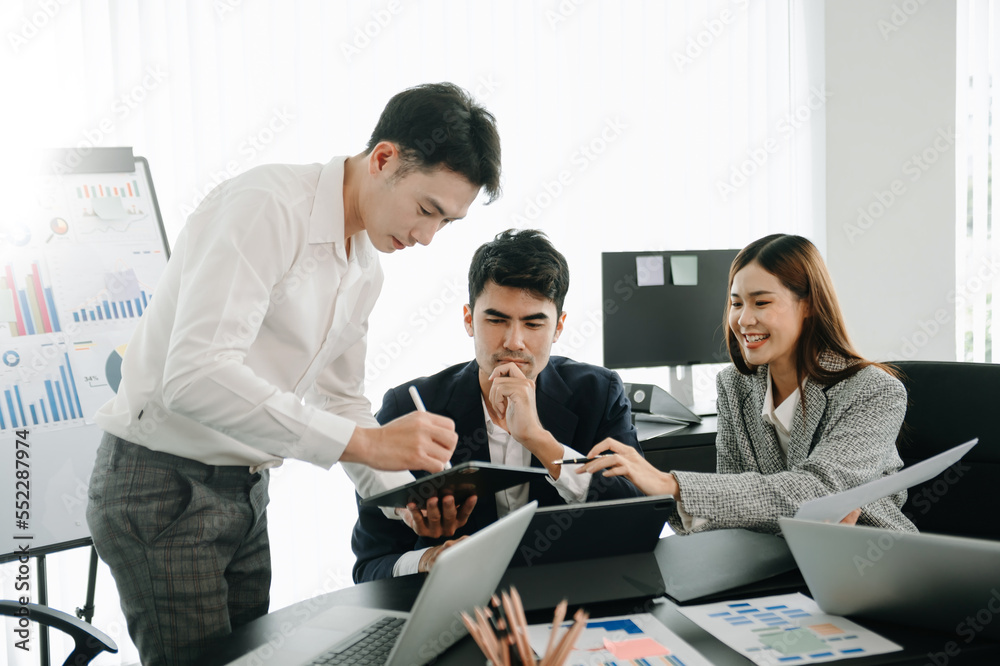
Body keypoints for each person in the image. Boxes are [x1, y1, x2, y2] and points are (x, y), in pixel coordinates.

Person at [85, 82, 502, 666]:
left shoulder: (364, 267)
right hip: (161, 483)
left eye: (446, 223)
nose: (426, 237)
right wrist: (366, 443)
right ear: (384, 159)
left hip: (246, 486)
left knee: (253, 661)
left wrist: (403, 498)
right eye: (427, 209)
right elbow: (195, 374)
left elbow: (339, 399)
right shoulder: (268, 206)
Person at [351, 229, 643, 582]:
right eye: (496, 320)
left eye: (534, 323)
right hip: (458, 609)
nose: (513, 341)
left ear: (559, 328)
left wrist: (539, 440)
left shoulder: (598, 393)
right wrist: (427, 560)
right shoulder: (408, 407)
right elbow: (371, 566)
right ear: (468, 319)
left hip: (572, 596)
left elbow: (636, 518)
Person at [580, 233, 917, 535]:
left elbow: (818, 490)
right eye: (736, 302)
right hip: (769, 557)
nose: (743, 319)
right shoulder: (734, 386)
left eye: (761, 302)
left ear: (809, 304)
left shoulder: (874, 391)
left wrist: (671, 484)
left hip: (866, 558)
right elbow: (732, 503)